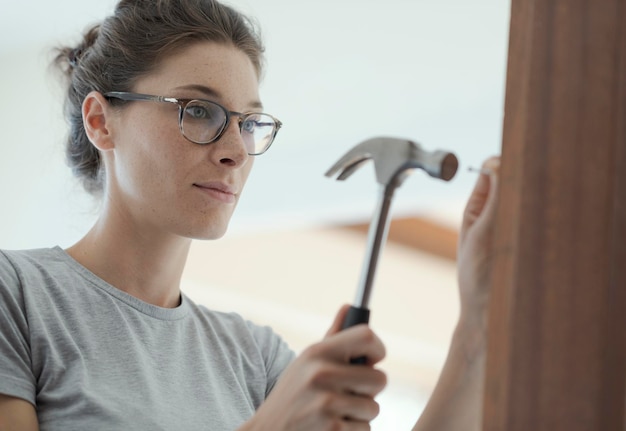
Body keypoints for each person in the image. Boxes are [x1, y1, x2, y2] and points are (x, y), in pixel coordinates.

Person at [0, 0, 500, 429]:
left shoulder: (254, 358)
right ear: (100, 121)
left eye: (250, 123)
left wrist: (477, 325)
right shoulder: (17, 297)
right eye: (198, 109)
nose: (236, 151)